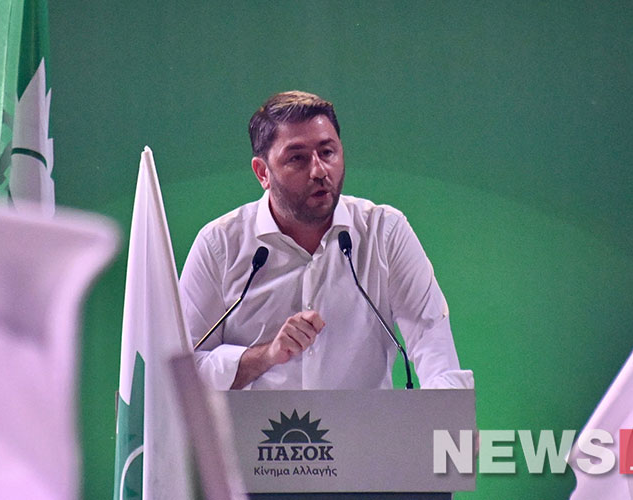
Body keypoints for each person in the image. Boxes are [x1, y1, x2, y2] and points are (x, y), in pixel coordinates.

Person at [179, 90, 473, 391]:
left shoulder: (384, 232)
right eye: (297, 158)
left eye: (327, 152)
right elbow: (181, 373)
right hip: (251, 424)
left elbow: (434, 348)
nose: (319, 170)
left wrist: (447, 411)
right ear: (262, 172)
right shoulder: (219, 245)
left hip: (364, 423)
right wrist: (265, 356)